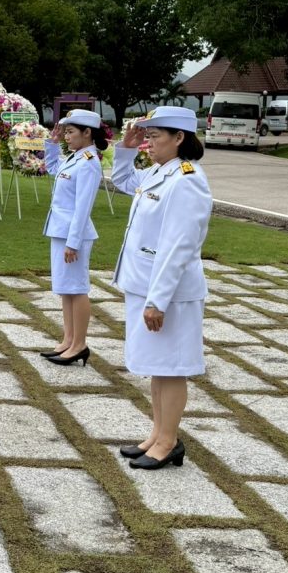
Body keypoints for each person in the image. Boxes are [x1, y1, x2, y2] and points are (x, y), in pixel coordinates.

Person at [111, 106, 211, 470]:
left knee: (171, 367)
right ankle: (157, 434)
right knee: (157, 365)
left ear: (179, 137)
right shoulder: (159, 172)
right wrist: (126, 148)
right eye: (147, 137)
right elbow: (123, 181)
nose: (148, 143)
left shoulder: (187, 180)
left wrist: (158, 301)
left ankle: (169, 442)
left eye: (154, 136)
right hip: (145, 283)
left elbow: (178, 246)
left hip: (170, 293)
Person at [40, 109, 106, 367]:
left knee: (77, 289)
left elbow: (83, 207)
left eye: (70, 132)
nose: (66, 136)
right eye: (65, 132)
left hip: (72, 235)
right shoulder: (75, 158)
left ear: (87, 132)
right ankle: (68, 339)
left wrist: (73, 242)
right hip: (60, 230)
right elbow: (52, 169)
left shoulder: (89, 162)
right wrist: (52, 144)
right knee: (65, 288)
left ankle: (79, 344)